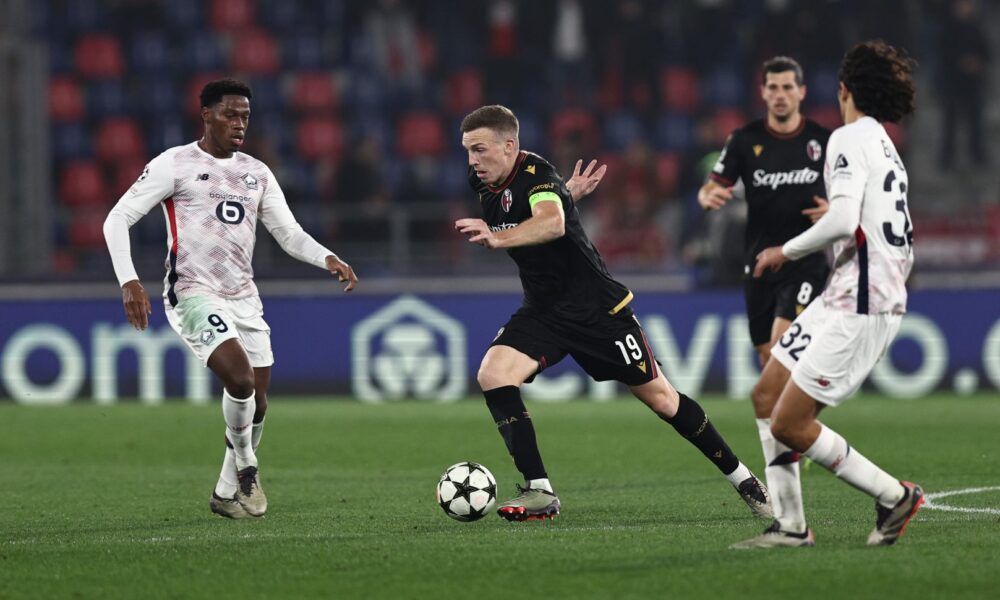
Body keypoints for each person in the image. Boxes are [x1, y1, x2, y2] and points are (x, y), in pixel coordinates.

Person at [455, 104, 771, 522]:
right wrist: (569, 195)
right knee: (493, 374)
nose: (473, 161)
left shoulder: (538, 175)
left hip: (598, 311)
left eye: (480, 150)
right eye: (467, 151)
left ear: (509, 146)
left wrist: (502, 236)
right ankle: (540, 491)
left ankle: (746, 481)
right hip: (545, 311)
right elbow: (546, 208)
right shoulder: (488, 185)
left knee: (663, 400)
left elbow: (550, 224)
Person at [102, 79, 358, 519]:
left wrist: (327, 257)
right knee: (238, 381)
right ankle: (248, 466)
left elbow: (288, 233)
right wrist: (129, 280)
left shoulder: (256, 172)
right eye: (230, 115)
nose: (240, 124)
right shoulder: (175, 163)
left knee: (257, 404)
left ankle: (224, 494)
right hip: (193, 292)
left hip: (244, 297)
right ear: (206, 115)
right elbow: (117, 218)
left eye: (245, 117)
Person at [731, 41, 922, 549]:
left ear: (844, 91)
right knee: (766, 395)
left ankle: (893, 494)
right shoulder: (883, 144)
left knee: (791, 423)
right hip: (847, 290)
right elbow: (876, 223)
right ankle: (791, 527)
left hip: (862, 301)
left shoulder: (844, 138)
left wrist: (784, 251)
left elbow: (841, 217)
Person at [698, 56, 831, 370]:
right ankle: (778, 420)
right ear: (763, 92)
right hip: (757, 262)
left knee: (779, 348)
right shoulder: (744, 141)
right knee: (765, 355)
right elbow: (710, 188)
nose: (780, 94)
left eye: (787, 87)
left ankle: (795, 418)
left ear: (802, 92)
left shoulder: (823, 142)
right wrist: (708, 197)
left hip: (804, 260)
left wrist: (833, 208)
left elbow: (849, 196)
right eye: (773, 87)